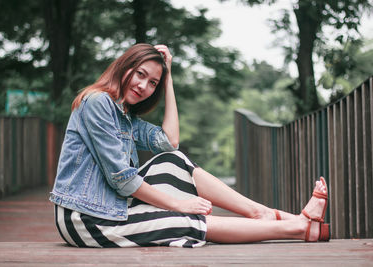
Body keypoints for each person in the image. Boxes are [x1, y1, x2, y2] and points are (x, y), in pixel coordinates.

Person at [49, 43, 329, 248]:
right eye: (141, 75)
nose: (144, 86)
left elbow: (169, 141)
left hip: (109, 207)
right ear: (126, 67)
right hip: (85, 219)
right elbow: (122, 179)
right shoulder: (98, 103)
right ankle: (299, 227)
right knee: (184, 221)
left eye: (153, 83)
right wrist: (178, 204)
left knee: (174, 160)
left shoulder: (126, 118)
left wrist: (167, 78)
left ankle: (262, 213)